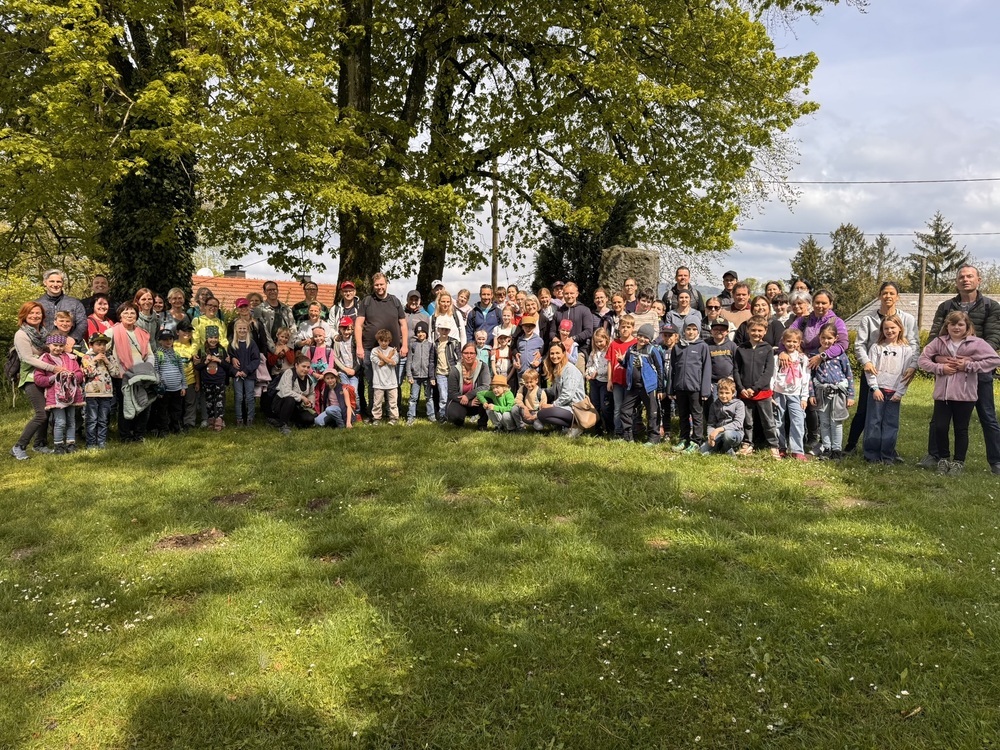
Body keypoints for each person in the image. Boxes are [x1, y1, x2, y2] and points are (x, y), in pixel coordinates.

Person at [918, 265, 1000, 474]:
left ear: (978, 280)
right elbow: (935, 336)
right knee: (939, 419)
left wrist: (970, 360)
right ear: (956, 282)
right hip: (950, 372)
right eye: (961, 277)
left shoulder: (991, 306)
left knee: (987, 416)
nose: (965, 279)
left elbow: (994, 337)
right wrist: (938, 358)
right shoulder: (946, 306)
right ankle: (935, 455)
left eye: (970, 276)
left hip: (978, 372)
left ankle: (996, 461)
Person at [844, 281, 918, 455]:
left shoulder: (907, 319)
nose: (888, 296)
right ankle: (852, 444)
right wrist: (866, 362)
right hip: (873, 371)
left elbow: (914, 344)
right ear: (879, 296)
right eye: (885, 293)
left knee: (889, 412)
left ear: (898, 297)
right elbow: (860, 344)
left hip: (896, 373)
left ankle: (887, 448)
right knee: (865, 409)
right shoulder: (868, 319)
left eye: (892, 293)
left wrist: (913, 365)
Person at [863, 315, 917, 465]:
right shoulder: (876, 347)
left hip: (894, 393)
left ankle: (887, 455)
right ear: (882, 330)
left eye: (893, 327)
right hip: (878, 391)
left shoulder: (906, 350)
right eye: (886, 328)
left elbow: (906, 375)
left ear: (900, 328)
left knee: (890, 424)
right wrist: (874, 388)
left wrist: (899, 393)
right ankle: (872, 455)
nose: (889, 331)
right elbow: (870, 371)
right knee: (874, 422)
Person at [11, 303, 61, 459]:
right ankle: (18, 447)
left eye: (38, 313)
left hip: (46, 376)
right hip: (30, 377)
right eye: (31, 313)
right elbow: (27, 358)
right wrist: (53, 368)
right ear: (24, 315)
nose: (35, 316)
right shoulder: (21, 335)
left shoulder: (44, 333)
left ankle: (40, 444)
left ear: (42, 316)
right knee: (41, 414)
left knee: (47, 409)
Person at [355, 272, 407, 419]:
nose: (379, 287)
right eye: (376, 285)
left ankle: (394, 413)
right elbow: (358, 325)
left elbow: (403, 325)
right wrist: (359, 346)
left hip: (393, 349)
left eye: (381, 284)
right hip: (370, 349)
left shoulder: (395, 301)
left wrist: (405, 345)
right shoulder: (367, 301)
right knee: (373, 383)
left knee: (394, 383)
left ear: (386, 284)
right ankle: (373, 414)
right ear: (373, 285)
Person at [108, 302, 156, 443]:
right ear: (120, 315)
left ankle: (139, 434)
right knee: (126, 405)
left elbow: (150, 354)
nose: (129, 315)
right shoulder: (112, 332)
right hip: (123, 375)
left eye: (132, 313)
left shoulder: (142, 333)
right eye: (126, 312)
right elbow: (102, 349)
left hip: (142, 374)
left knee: (143, 404)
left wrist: (148, 368)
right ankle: (125, 436)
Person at [734, 316, 780, 458]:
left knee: (768, 421)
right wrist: (741, 388)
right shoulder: (741, 348)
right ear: (747, 330)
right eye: (753, 330)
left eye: (760, 330)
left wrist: (755, 388)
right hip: (744, 392)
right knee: (747, 421)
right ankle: (747, 443)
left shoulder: (767, 349)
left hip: (762, 392)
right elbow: (736, 370)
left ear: (765, 331)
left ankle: (773, 445)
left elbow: (768, 372)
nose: (756, 333)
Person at [808, 323, 855, 460]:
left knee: (836, 421)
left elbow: (849, 374)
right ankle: (826, 448)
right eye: (823, 338)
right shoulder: (814, 355)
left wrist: (851, 395)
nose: (826, 341)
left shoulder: (840, 355)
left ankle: (836, 449)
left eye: (829, 338)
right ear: (819, 337)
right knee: (824, 422)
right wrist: (811, 394)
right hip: (821, 393)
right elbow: (810, 377)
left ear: (836, 338)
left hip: (838, 393)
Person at [33, 333, 85, 454]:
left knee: (71, 420)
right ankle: (58, 445)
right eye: (55, 345)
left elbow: (79, 373)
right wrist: (54, 377)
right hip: (55, 396)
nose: (58, 348)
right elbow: (38, 379)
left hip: (71, 394)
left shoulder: (70, 358)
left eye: (61, 345)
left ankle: (71, 444)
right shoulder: (44, 359)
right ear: (48, 345)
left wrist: (73, 376)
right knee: (60, 421)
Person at [669, 322, 711, 452]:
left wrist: (705, 390)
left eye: (694, 329)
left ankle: (696, 441)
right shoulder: (678, 347)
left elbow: (707, 368)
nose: (691, 332)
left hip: (695, 388)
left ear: (698, 331)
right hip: (680, 387)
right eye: (688, 329)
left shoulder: (703, 346)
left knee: (697, 415)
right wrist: (670, 388)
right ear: (684, 330)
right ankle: (684, 438)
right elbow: (672, 369)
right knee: (683, 415)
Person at [620, 324, 664, 444]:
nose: (642, 339)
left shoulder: (652, 350)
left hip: (649, 387)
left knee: (652, 412)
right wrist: (620, 361)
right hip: (633, 387)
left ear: (650, 339)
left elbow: (660, 369)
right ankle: (628, 437)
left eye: (646, 337)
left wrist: (660, 389)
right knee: (625, 410)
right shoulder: (631, 349)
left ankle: (653, 438)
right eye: (640, 336)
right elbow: (626, 364)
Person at [772, 328, 810, 461]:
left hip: (796, 394)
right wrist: (771, 394)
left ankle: (797, 450)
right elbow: (773, 376)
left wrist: (804, 397)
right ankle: (780, 447)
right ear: (783, 342)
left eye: (795, 342)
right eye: (788, 341)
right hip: (779, 392)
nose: (791, 344)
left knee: (798, 421)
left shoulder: (803, 359)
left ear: (799, 343)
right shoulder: (777, 358)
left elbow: (806, 378)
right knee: (778, 421)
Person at [537, 340, 587, 435]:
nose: (554, 356)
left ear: (564, 353)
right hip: (564, 406)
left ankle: (576, 426)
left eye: (557, 353)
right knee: (540, 402)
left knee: (542, 414)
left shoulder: (569, 370)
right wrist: (540, 392)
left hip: (574, 408)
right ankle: (565, 427)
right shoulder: (557, 368)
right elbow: (554, 391)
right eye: (552, 353)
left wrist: (552, 405)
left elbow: (567, 395)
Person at [81, 332, 121, 449]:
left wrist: (107, 362)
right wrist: (94, 361)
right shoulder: (87, 357)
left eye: (104, 344)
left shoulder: (109, 357)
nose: (102, 347)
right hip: (91, 394)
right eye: (98, 344)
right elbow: (89, 373)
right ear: (91, 345)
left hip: (106, 394)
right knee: (92, 419)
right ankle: (91, 444)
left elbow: (116, 373)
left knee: (103, 420)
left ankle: (101, 442)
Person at [195, 325, 233, 431]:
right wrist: (205, 362)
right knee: (209, 401)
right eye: (211, 337)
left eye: (216, 337)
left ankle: (219, 421)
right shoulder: (202, 350)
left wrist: (219, 360)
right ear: (207, 338)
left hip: (219, 380)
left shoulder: (221, 350)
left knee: (219, 401)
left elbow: (227, 366)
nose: (213, 340)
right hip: (207, 381)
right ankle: (211, 420)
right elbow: (197, 367)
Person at [445, 342, 491, 428]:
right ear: (462, 354)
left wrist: (468, 395)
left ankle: (482, 425)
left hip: (478, 400)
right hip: (461, 401)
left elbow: (486, 386)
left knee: (488, 397)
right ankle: (459, 423)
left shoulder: (483, 367)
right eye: (466, 353)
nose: (469, 356)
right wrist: (469, 402)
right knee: (454, 415)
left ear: (476, 354)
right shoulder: (455, 370)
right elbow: (452, 392)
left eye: (471, 353)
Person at [606, 313, 636, 438]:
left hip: (630, 381)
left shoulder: (635, 343)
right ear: (618, 328)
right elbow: (609, 362)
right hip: (617, 380)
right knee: (618, 407)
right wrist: (609, 380)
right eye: (623, 326)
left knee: (629, 408)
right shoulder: (614, 344)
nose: (625, 329)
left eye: (628, 327)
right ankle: (618, 431)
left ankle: (629, 431)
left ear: (633, 328)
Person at [36, 269, 87, 344]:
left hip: (69, 344)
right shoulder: (37, 304)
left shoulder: (75, 303)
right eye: (52, 281)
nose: (55, 284)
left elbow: (82, 323)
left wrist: (73, 338)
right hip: (44, 345)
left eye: (58, 281)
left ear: (63, 283)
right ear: (45, 282)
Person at [153, 328, 187, 435]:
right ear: (160, 341)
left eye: (170, 339)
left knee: (177, 409)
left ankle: (176, 427)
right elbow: (156, 371)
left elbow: (181, 370)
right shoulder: (157, 354)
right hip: (164, 389)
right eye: (165, 339)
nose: (168, 341)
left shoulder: (176, 354)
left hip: (177, 388)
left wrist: (183, 386)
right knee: (163, 410)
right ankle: (163, 429)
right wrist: (159, 386)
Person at [700, 378, 746, 456]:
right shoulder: (714, 405)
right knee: (702, 450)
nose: (724, 396)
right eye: (721, 393)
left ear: (733, 393)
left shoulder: (739, 404)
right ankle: (722, 448)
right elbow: (711, 424)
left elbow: (738, 423)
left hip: (734, 433)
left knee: (727, 435)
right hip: (718, 434)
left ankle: (726, 450)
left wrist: (719, 429)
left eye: (727, 393)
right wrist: (710, 436)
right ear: (717, 393)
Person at [229, 319, 261, 427]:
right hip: (237, 376)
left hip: (249, 375)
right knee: (238, 397)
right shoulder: (232, 344)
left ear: (247, 330)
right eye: (240, 328)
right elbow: (228, 361)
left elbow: (256, 359)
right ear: (235, 329)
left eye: (244, 328)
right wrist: (235, 372)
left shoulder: (251, 344)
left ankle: (250, 418)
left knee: (250, 397)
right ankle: (239, 419)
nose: (242, 330)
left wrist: (246, 370)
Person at [272, 354, 316, 435]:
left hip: (297, 406)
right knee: (290, 399)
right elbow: (286, 391)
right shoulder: (289, 373)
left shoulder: (309, 379)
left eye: (308, 367)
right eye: (303, 366)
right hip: (281, 404)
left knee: (309, 419)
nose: (306, 369)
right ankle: (283, 425)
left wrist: (310, 402)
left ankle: (292, 421)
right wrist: (302, 397)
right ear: (296, 365)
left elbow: (311, 393)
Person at [405, 321, 436, 425]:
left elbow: (432, 362)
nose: (420, 334)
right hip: (415, 376)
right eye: (418, 332)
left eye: (423, 332)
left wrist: (432, 376)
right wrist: (409, 375)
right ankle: (411, 416)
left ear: (426, 333)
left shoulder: (430, 345)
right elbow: (409, 361)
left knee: (429, 397)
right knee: (413, 397)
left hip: (427, 375)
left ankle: (431, 415)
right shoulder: (413, 345)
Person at [554, 283, 594, 360]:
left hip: (579, 351)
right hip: (560, 351)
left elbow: (588, 331)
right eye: (566, 293)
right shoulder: (558, 312)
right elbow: (552, 332)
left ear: (577, 294)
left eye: (571, 293)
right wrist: (556, 339)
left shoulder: (584, 310)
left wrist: (573, 339)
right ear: (563, 294)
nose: (569, 296)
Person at [255, 280, 296, 353]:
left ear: (277, 290)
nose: (272, 292)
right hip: (269, 349)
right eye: (269, 290)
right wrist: (274, 349)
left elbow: (293, 328)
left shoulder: (286, 309)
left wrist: (288, 346)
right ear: (264, 292)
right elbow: (263, 331)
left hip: (286, 348)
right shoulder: (259, 309)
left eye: (274, 289)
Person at [369, 328, 400, 425]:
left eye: (386, 341)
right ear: (378, 340)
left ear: (389, 341)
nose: (383, 343)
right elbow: (380, 364)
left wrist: (383, 356)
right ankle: (376, 418)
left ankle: (394, 418)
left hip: (392, 381)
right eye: (381, 340)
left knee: (393, 403)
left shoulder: (392, 350)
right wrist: (388, 356)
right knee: (377, 402)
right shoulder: (375, 351)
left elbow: (393, 363)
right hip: (378, 381)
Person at [433, 318, 460, 420]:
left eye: (447, 329)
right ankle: (442, 415)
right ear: (438, 330)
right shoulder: (435, 343)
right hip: (440, 373)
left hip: (451, 372)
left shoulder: (454, 342)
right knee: (443, 396)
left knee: (452, 394)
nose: (444, 331)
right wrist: (432, 375)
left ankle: (451, 414)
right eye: (442, 329)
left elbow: (459, 357)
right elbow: (432, 360)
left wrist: (458, 370)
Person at [586, 328, 612, 435]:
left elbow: (608, 367)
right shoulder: (594, 352)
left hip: (604, 382)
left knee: (605, 406)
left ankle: (610, 428)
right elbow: (589, 365)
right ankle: (598, 428)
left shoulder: (609, 351)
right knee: (595, 405)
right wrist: (588, 373)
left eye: (600, 341)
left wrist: (597, 372)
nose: (598, 344)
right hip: (594, 382)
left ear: (606, 339)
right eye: (596, 342)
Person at [173, 321, 199, 430]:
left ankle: (189, 423)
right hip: (175, 381)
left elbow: (196, 366)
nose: (187, 333)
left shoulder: (193, 346)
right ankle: (176, 423)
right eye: (184, 331)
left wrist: (197, 382)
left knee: (190, 403)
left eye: (189, 331)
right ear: (177, 332)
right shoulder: (172, 345)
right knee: (177, 404)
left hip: (190, 379)